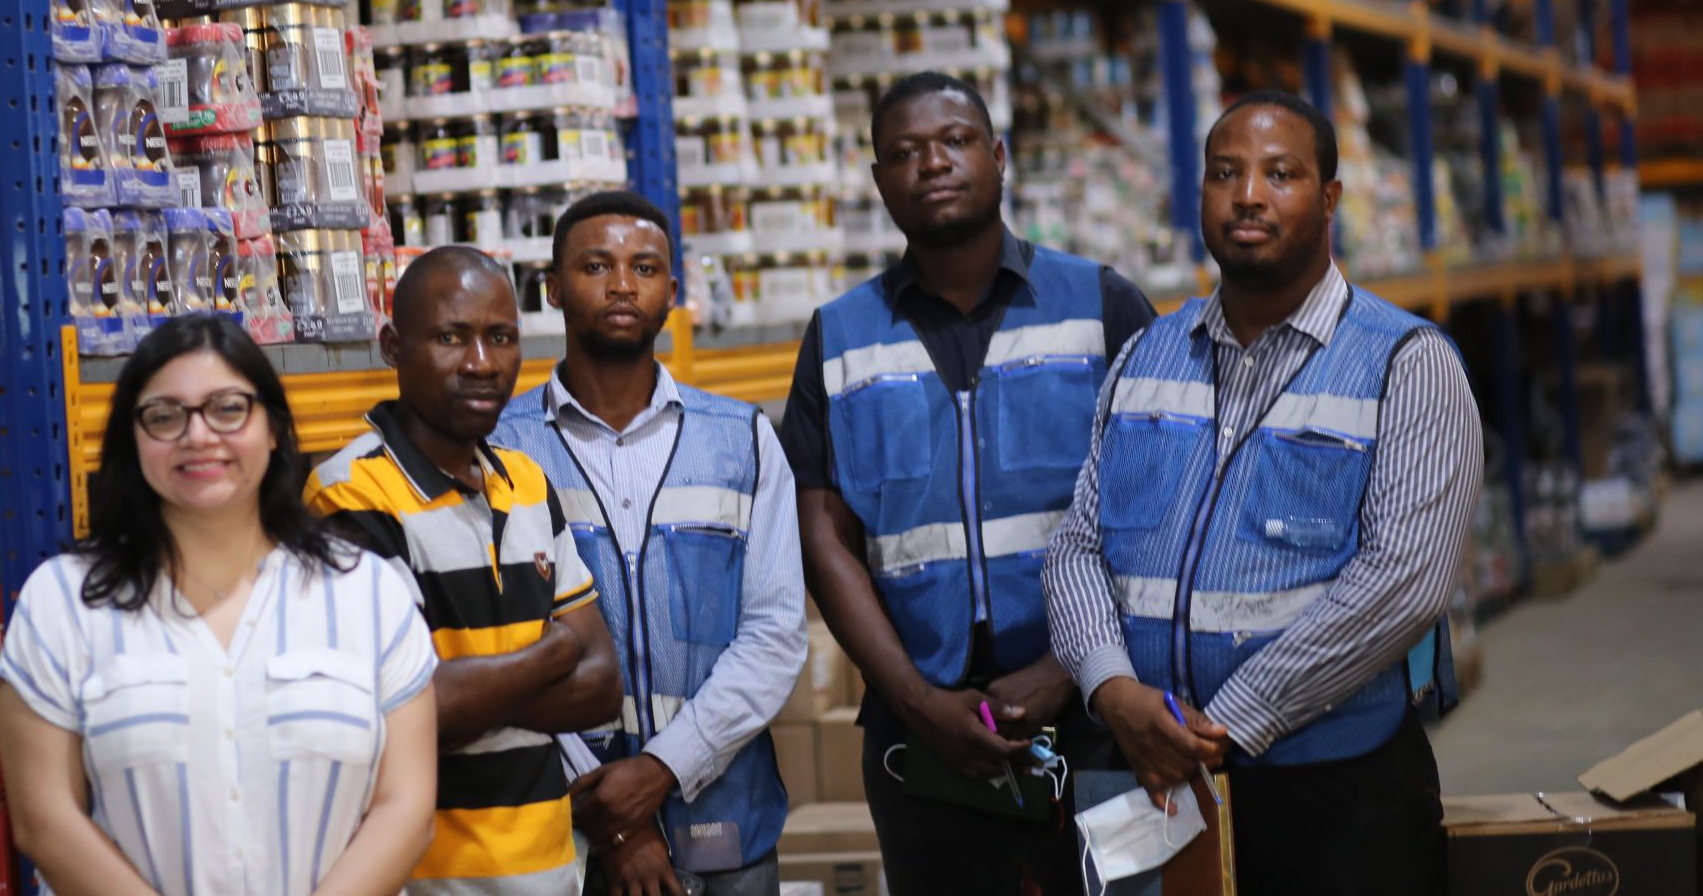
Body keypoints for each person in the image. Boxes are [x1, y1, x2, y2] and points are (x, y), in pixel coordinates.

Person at [1044, 90, 1481, 895]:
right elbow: (1076, 545)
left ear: (1330, 199)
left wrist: (1223, 726)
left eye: (1280, 173)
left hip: (1333, 792)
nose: (1248, 193)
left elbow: (1403, 583)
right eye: (1225, 172)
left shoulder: (1406, 364)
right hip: (1151, 778)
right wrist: (1111, 686)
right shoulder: (1147, 355)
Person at [778, 71, 1156, 896]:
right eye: (905, 152)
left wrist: (1070, 667)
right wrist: (916, 701)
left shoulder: (1101, 305)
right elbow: (824, 536)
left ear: (999, 155)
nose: (932, 163)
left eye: (953, 140)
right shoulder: (839, 337)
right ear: (879, 181)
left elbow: (1164, 505)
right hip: (924, 741)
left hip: (1098, 720)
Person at [0, 313, 438, 896]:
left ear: (274, 428)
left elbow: (406, 807)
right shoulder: (61, 603)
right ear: (132, 440)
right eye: (164, 416)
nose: (198, 436)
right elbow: (44, 820)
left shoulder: (370, 594)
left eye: (228, 409)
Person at [493, 191, 806, 896]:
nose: (622, 284)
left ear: (673, 290)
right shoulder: (503, 449)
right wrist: (614, 817)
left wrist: (663, 768)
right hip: (565, 831)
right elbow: (496, 651)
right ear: (551, 289)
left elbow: (775, 632)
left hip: (728, 827)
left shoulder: (743, 440)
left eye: (645, 266)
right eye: (596, 264)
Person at [305, 245, 624, 896]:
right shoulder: (349, 495)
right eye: (451, 336)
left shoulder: (527, 483)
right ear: (394, 345)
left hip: (554, 873)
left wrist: (465, 692)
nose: (482, 363)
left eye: (500, 337)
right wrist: (551, 651)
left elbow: (600, 686)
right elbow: (411, 709)